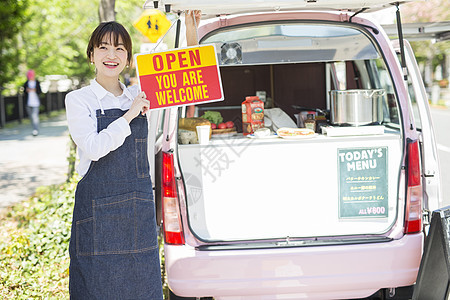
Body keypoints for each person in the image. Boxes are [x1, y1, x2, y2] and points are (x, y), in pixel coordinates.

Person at [65, 10, 201, 300]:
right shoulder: (79, 100)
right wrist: (129, 115)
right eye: (103, 47)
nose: (110, 54)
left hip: (136, 216)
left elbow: (189, 81)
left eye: (119, 48)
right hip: (96, 216)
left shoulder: (141, 93)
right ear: (91, 55)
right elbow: (94, 146)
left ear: (128, 57)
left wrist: (191, 31)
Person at [23, 69, 42, 136]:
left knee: (35, 116)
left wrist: (35, 90)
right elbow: (24, 93)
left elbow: (40, 91)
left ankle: (35, 129)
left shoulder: (37, 82)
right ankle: (34, 128)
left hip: (36, 103)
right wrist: (27, 90)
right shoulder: (26, 83)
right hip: (28, 103)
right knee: (31, 117)